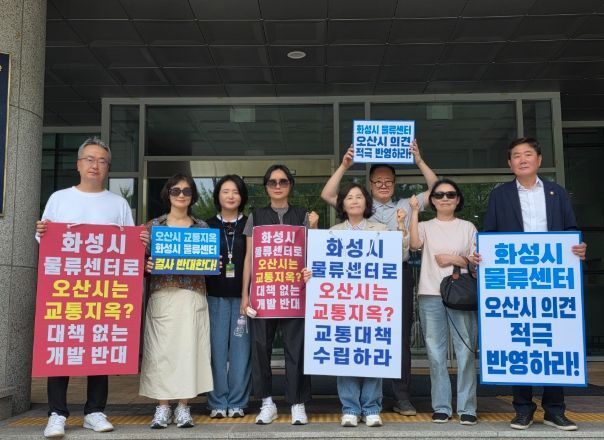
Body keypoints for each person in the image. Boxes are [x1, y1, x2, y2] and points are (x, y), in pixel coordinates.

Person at [36, 137, 147, 438]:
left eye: (101, 160)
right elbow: (45, 242)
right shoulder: (59, 199)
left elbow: (128, 244)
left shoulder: (118, 203)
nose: (95, 165)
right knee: (61, 346)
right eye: (89, 159)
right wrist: (42, 231)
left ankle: (95, 411)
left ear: (108, 167)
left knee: (101, 345)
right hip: (66, 288)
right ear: (78, 164)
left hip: (104, 290)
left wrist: (141, 241)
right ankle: (57, 413)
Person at [321, 140, 438, 415]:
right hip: (359, 281)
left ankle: (401, 396)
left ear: (394, 184)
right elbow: (327, 193)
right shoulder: (361, 205)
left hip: (397, 275)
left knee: (399, 334)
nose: (383, 185)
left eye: (388, 181)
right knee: (361, 333)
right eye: (378, 181)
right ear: (370, 185)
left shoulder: (406, 205)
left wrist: (419, 161)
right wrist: (344, 165)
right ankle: (362, 399)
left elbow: (436, 189)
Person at [480, 137, 587, 431]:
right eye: (516, 155)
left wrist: (578, 247)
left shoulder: (557, 192)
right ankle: (523, 409)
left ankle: (554, 409)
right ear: (510, 163)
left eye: (528, 154)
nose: (523, 159)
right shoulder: (500, 195)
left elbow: (570, 230)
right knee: (520, 339)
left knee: (554, 339)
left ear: (539, 160)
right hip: (516, 280)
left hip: (551, 280)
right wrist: (483, 255)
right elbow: (491, 234)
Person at [240, 164, 319, 425]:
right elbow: (249, 258)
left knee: (296, 349)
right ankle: (266, 402)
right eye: (272, 182)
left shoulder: (303, 215)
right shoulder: (256, 216)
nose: (277, 186)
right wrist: (245, 295)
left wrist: (314, 228)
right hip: (264, 294)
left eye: (283, 181)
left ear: (290, 185)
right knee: (260, 348)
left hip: (294, 294)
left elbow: (312, 252)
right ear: (266, 187)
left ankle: (297, 403)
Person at [330, 183, 409, 427]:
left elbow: (400, 255)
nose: (354, 201)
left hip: (373, 301)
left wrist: (401, 226)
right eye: (349, 197)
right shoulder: (333, 232)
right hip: (344, 302)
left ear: (366, 202)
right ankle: (350, 408)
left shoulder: (381, 229)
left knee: (372, 351)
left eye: (359, 197)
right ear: (342, 204)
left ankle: (372, 406)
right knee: (345, 352)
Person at [139, 173, 213, 429]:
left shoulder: (202, 228)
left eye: (187, 191)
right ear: (167, 194)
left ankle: (183, 406)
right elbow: (135, 261)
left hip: (192, 295)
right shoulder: (152, 227)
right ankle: (162, 406)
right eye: (175, 190)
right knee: (160, 352)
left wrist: (213, 262)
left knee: (190, 351)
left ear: (193, 195)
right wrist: (145, 266)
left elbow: (210, 264)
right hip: (162, 295)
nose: (181, 195)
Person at [409, 179, 478, 425]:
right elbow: (414, 244)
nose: (445, 198)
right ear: (433, 200)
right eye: (439, 195)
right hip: (430, 293)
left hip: (461, 295)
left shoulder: (468, 227)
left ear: (458, 199)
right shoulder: (425, 225)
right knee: (435, 353)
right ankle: (441, 406)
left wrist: (454, 259)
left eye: (450, 194)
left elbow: (476, 261)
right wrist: (415, 211)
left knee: (465, 350)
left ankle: (467, 407)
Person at [205, 175, 251, 419]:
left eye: (235, 191)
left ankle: (238, 401)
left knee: (241, 351)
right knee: (217, 350)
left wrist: (247, 295)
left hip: (244, 299)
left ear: (242, 196)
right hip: (214, 296)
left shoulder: (251, 224)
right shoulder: (206, 225)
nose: (231, 196)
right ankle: (217, 401)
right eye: (225, 191)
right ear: (218, 195)